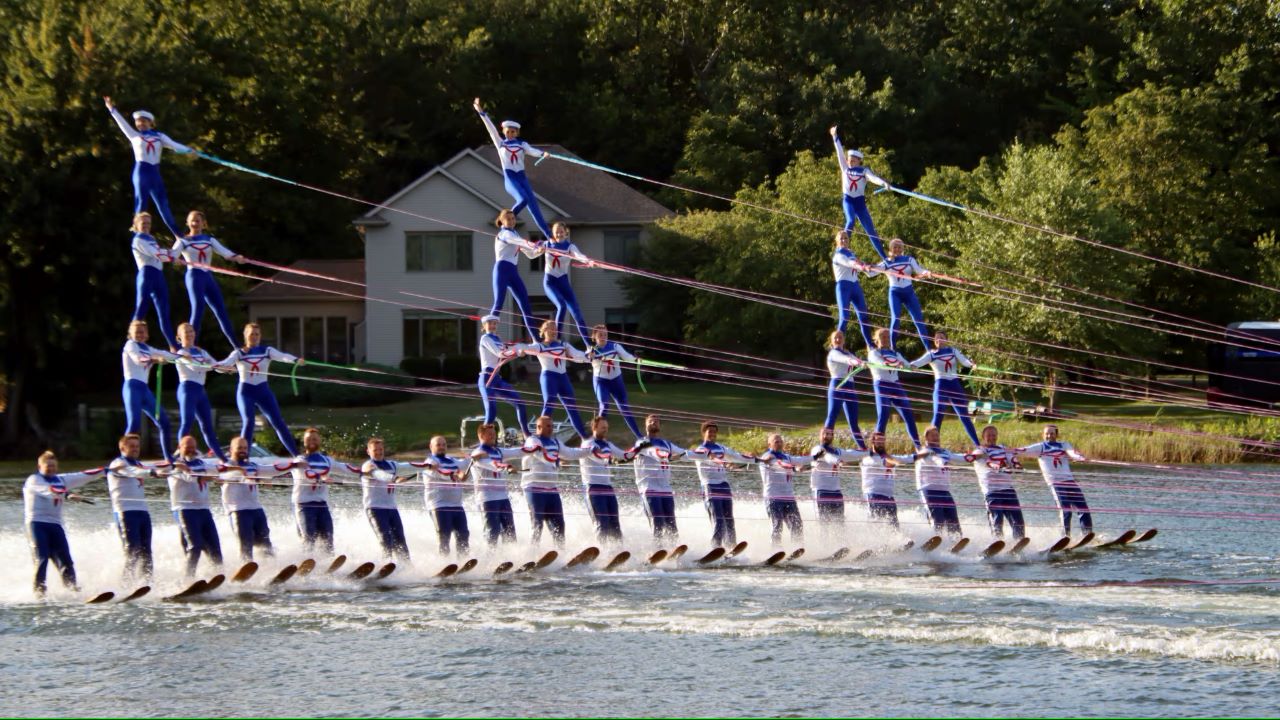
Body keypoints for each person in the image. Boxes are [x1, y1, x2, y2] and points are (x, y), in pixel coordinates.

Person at [104, 96, 191, 238]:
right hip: (141, 172)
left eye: (144, 121)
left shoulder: (159, 136)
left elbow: (175, 146)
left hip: (155, 173)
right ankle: (138, 234)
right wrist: (111, 108)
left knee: (163, 205)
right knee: (141, 202)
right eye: (138, 121)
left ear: (151, 123)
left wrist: (189, 150)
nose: (141, 124)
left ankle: (178, 235)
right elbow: (122, 123)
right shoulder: (134, 136)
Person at [474, 97, 555, 238]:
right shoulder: (500, 143)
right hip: (510, 178)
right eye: (507, 131)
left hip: (522, 177)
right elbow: (491, 128)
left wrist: (543, 154)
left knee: (535, 208)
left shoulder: (522, 144)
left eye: (513, 132)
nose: (510, 134)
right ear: (504, 131)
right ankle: (505, 222)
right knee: (522, 199)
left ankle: (550, 238)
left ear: (517, 133)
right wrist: (481, 111)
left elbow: (532, 151)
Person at [221, 322, 302, 456]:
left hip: (263, 392)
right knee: (249, 421)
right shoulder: (239, 353)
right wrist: (221, 367)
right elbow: (225, 364)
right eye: (251, 334)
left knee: (278, 422)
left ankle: (297, 456)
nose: (254, 337)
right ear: (245, 335)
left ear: (260, 336)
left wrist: (295, 360)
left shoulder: (267, 351)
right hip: (246, 392)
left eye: (257, 334)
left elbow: (282, 356)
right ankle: (243, 458)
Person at [24, 450, 96, 595]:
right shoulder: (34, 480)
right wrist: (68, 494)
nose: (51, 469)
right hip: (37, 524)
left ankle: (73, 591)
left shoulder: (61, 480)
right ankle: (39, 594)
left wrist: (107, 471)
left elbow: (84, 475)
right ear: (40, 467)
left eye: (53, 466)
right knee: (42, 558)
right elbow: (49, 491)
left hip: (55, 526)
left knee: (66, 561)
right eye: (47, 466)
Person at [171, 210, 245, 348]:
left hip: (208, 276)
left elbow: (225, 253)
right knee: (198, 308)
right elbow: (172, 254)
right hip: (194, 276)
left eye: (198, 220)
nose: (195, 223)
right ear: (187, 223)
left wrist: (237, 258)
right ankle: (189, 347)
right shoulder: (183, 241)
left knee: (221, 311)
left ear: (203, 223)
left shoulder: (209, 239)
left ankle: (238, 348)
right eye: (192, 220)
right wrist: (173, 258)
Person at [520, 415, 588, 546]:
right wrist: (556, 461)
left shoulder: (555, 442)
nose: (551, 429)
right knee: (537, 524)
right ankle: (532, 554)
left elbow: (571, 453)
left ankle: (560, 553)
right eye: (548, 426)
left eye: (552, 426)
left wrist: (590, 451)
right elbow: (540, 455)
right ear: (539, 427)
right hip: (534, 488)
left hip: (551, 489)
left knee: (559, 525)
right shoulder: (532, 441)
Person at [1016, 425, 1093, 537]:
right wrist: (1007, 451)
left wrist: (1080, 457)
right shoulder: (1040, 447)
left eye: (1052, 433)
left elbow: (1072, 452)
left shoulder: (1064, 445)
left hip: (1069, 481)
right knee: (1066, 510)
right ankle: (1065, 537)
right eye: (1047, 433)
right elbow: (1023, 450)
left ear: (1056, 435)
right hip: (1055, 483)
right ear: (1043, 435)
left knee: (1083, 508)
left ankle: (1087, 535)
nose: (1049, 436)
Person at [518, 319, 590, 438]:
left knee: (572, 406)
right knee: (549, 405)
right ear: (545, 331)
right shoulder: (539, 346)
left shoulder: (563, 345)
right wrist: (520, 351)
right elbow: (524, 349)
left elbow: (578, 354)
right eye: (551, 328)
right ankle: (540, 438)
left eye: (555, 328)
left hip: (563, 378)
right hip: (549, 377)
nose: (554, 331)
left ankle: (584, 436)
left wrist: (589, 357)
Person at [690, 421, 755, 548]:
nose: (713, 434)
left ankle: (731, 546)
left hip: (724, 485)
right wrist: (724, 463)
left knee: (729, 520)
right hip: (710, 486)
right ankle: (716, 547)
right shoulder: (701, 449)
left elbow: (736, 456)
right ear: (704, 433)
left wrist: (750, 458)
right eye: (710, 431)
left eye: (714, 432)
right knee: (718, 520)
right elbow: (712, 459)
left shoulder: (721, 448)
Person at [829, 125, 890, 260]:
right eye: (849, 160)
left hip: (860, 203)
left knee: (871, 232)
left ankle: (885, 259)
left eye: (853, 160)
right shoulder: (845, 168)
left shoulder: (864, 171)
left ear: (859, 161)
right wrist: (835, 136)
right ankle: (843, 249)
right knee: (850, 220)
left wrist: (884, 183)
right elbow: (839, 151)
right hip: (848, 200)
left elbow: (873, 178)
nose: (850, 162)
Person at [911, 331, 980, 446]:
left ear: (946, 340)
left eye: (941, 338)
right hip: (941, 385)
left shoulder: (953, 351)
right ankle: (931, 446)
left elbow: (964, 361)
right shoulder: (931, 354)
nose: (939, 340)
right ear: (934, 341)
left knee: (964, 416)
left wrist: (972, 365)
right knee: (938, 414)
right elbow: (917, 363)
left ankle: (978, 445)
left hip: (955, 386)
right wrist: (905, 365)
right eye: (936, 338)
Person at [169, 434, 224, 576]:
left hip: (204, 510)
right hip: (185, 510)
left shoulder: (201, 463)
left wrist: (225, 473)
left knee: (215, 548)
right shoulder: (175, 465)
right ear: (179, 448)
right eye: (187, 447)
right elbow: (190, 477)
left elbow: (217, 470)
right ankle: (188, 578)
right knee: (195, 546)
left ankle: (218, 576)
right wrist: (209, 477)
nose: (191, 450)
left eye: (193, 447)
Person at [121, 320, 177, 460]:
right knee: (134, 423)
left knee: (164, 422)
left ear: (146, 334)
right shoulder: (130, 345)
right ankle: (126, 459)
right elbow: (138, 359)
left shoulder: (148, 348)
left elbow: (166, 354)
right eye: (137, 332)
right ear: (131, 334)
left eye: (142, 332)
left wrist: (183, 356)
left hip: (144, 390)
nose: (140, 334)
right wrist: (156, 359)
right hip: (132, 387)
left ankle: (168, 458)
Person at [174, 322, 229, 461]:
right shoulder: (181, 353)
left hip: (200, 391)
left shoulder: (201, 352)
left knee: (207, 426)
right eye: (186, 332)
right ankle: (180, 454)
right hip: (187, 389)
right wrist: (214, 366)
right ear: (179, 337)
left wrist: (227, 368)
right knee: (187, 421)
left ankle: (222, 458)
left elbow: (216, 365)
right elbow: (196, 367)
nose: (190, 334)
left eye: (191, 331)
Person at [108, 433, 158, 581]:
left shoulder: (139, 464)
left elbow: (154, 465)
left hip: (142, 512)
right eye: (131, 446)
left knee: (146, 551)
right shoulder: (117, 464)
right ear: (122, 447)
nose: (135, 449)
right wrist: (152, 472)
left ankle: (147, 582)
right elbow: (133, 471)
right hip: (125, 512)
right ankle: (126, 584)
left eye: (137, 446)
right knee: (133, 549)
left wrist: (172, 465)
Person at [866, 238, 932, 350]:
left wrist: (926, 273)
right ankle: (893, 347)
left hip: (909, 292)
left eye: (899, 247)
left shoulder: (909, 259)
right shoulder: (887, 262)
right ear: (891, 248)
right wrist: (864, 267)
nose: (897, 249)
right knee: (896, 318)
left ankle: (929, 349)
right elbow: (871, 274)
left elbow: (919, 271)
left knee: (918, 320)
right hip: (895, 292)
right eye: (895, 247)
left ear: (903, 248)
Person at [630, 415, 687, 542]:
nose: (654, 423)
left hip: (665, 488)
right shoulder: (642, 443)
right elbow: (654, 453)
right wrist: (668, 455)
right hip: (649, 488)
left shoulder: (666, 444)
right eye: (651, 421)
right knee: (658, 523)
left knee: (672, 524)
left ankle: (674, 549)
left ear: (659, 426)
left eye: (656, 421)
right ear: (646, 426)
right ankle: (657, 549)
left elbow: (684, 453)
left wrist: (703, 455)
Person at [537, 222, 594, 344]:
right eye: (556, 232)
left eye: (561, 231)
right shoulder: (546, 244)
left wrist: (588, 261)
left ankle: (589, 346)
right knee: (561, 306)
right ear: (552, 233)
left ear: (566, 233)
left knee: (577, 314)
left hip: (563, 282)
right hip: (550, 282)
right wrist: (537, 248)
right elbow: (532, 253)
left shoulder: (570, 247)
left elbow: (579, 255)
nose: (559, 234)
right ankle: (557, 338)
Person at [489, 209, 543, 340]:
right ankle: (489, 335)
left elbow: (530, 254)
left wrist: (541, 250)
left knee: (525, 304)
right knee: (499, 303)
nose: (512, 221)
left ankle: (536, 340)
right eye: (509, 219)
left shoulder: (515, 234)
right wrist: (534, 245)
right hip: (502, 269)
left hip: (513, 272)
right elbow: (522, 243)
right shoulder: (505, 234)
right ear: (502, 221)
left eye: (513, 218)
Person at [966, 426, 1026, 541]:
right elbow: (988, 463)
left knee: (1017, 520)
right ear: (983, 437)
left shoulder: (1003, 448)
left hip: (1007, 489)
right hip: (991, 491)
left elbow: (1012, 458)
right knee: (997, 520)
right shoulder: (980, 451)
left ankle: (1019, 542)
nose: (992, 438)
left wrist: (1017, 465)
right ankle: (996, 542)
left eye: (994, 435)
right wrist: (998, 467)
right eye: (989, 435)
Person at [577, 416, 631, 545]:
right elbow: (598, 458)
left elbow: (624, 455)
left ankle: (619, 550)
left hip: (607, 487)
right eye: (603, 428)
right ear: (594, 428)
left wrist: (638, 450)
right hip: (592, 487)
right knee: (602, 523)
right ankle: (600, 550)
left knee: (615, 523)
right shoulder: (588, 444)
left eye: (607, 428)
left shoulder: (608, 444)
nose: (605, 430)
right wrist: (611, 459)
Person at [219, 436, 274, 562]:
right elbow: (226, 476)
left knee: (265, 543)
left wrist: (266, 479)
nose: (243, 450)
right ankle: (244, 567)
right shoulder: (225, 466)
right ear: (232, 449)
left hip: (256, 509)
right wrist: (255, 478)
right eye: (239, 448)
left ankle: (271, 567)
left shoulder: (253, 465)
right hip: (238, 511)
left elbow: (267, 473)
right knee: (246, 544)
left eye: (245, 448)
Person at [129, 212, 179, 351]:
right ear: (136, 224)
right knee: (142, 306)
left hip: (158, 276)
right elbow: (155, 253)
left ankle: (173, 345)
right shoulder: (138, 239)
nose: (146, 226)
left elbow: (161, 253)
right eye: (143, 223)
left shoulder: (151, 238)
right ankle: (132, 340)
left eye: (148, 223)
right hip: (147, 274)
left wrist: (172, 252)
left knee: (164, 311)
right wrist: (169, 255)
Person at [866, 327, 922, 449]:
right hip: (881, 385)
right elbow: (881, 364)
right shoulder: (873, 353)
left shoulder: (896, 354)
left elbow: (907, 365)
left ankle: (919, 447)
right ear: (876, 340)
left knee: (908, 414)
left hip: (896, 385)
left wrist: (913, 366)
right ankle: (877, 449)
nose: (886, 339)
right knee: (884, 414)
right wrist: (897, 364)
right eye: (882, 337)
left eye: (887, 336)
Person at [419, 435, 473, 557]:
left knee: (463, 534)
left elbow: (465, 464)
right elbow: (443, 473)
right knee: (444, 536)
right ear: (431, 447)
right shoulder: (430, 462)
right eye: (438, 445)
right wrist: (458, 475)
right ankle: (443, 562)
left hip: (456, 505)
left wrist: (470, 456)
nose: (442, 447)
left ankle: (463, 560)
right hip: (439, 505)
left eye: (444, 445)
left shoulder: (452, 460)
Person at [478, 314, 531, 436]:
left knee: (520, 403)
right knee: (491, 412)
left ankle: (527, 435)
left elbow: (503, 359)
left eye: (495, 323)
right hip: (487, 379)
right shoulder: (485, 338)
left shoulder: (498, 340)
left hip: (497, 379)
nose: (493, 326)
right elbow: (500, 354)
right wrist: (515, 351)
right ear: (484, 326)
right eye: (490, 323)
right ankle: (484, 441)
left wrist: (518, 353)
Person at [360, 437, 411, 562]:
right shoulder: (368, 465)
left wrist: (429, 466)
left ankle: (407, 567)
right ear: (368, 451)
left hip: (392, 508)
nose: (378, 452)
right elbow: (379, 474)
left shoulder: (392, 465)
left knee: (400, 540)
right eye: (375, 450)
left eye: (380, 449)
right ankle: (386, 564)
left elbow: (411, 465)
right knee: (385, 539)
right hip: (375, 508)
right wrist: (394, 478)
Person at [469, 423, 520, 547]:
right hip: (487, 499)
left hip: (503, 497)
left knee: (510, 531)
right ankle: (490, 559)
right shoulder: (478, 454)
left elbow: (516, 452)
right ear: (481, 435)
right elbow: (493, 465)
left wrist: (533, 449)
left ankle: (512, 557)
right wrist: (506, 466)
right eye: (490, 434)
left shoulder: (498, 451)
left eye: (494, 434)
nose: (493, 436)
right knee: (493, 531)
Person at [588, 324, 642, 439]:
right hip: (601, 382)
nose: (603, 336)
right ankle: (596, 437)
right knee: (604, 404)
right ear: (594, 336)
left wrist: (636, 359)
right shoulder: (591, 349)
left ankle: (639, 437)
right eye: (600, 334)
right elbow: (585, 358)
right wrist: (591, 356)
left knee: (625, 408)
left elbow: (627, 357)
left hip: (616, 380)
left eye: (605, 334)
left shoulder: (615, 346)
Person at [756, 434, 811, 546]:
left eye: (781, 441)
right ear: (769, 444)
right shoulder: (767, 457)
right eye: (776, 441)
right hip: (773, 497)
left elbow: (800, 460)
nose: (779, 443)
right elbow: (779, 466)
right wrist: (795, 468)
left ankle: (797, 547)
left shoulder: (787, 457)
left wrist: (815, 457)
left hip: (788, 497)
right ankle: (775, 549)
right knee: (777, 525)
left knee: (797, 524)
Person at [810, 426, 868, 529]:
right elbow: (827, 457)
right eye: (824, 434)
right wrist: (838, 462)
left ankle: (840, 544)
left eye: (829, 434)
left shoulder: (838, 451)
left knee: (840, 523)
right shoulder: (817, 449)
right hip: (821, 491)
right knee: (824, 523)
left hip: (836, 491)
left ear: (832, 436)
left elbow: (852, 454)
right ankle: (823, 544)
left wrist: (869, 453)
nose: (826, 436)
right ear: (820, 436)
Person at [858, 431, 918, 529]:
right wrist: (897, 461)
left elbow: (907, 458)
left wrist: (923, 454)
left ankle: (898, 541)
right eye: (879, 441)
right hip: (873, 495)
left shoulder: (888, 457)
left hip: (888, 497)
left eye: (883, 441)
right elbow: (888, 462)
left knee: (894, 525)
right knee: (876, 522)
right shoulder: (868, 458)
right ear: (873, 441)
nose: (881, 443)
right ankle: (871, 542)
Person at [915, 426, 964, 536]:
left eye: (937, 435)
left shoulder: (945, 451)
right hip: (929, 490)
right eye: (933, 435)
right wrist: (943, 463)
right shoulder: (925, 452)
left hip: (944, 491)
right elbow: (935, 460)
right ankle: (933, 540)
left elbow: (960, 457)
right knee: (938, 520)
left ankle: (956, 541)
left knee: (953, 521)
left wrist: (974, 457)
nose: (936, 438)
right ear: (926, 438)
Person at [824, 329, 868, 450]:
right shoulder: (833, 353)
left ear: (844, 339)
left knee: (853, 420)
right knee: (832, 415)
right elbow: (847, 360)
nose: (838, 340)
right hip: (838, 385)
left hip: (850, 387)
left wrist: (864, 362)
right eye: (835, 338)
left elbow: (856, 360)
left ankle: (863, 448)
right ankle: (825, 446)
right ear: (832, 342)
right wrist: (857, 363)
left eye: (840, 337)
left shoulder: (848, 353)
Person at [830, 230, 875, 348]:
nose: (844, 240)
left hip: (855, 286)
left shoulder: (851, 253)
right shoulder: (838, 255)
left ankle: (870, 345)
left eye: (846, 238)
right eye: (841, 239)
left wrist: (875, 268)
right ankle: (837, 346)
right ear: (837, 242)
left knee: (864, 316)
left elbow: (861, 266)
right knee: (844, 317)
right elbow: (851, 264)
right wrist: (861, 266)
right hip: (843, 287)